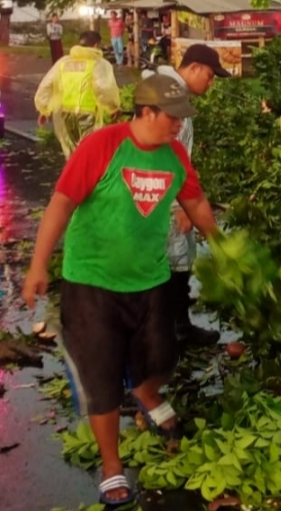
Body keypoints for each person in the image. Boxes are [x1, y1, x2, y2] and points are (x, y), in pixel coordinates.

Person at [22, 75, 220, 507]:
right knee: (103, 378)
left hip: (149, 280)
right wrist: (38, 265)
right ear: (146, 112)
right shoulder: (103, 146)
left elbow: (196, 202)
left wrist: (224, 248)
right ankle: (112, 466)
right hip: (92, 284)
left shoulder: (175, 155)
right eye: (171, 118)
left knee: (162, 357)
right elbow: (61, 202)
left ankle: (147, 393)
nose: (177, 126)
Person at [142, 43, 231, 345]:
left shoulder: (168, 91)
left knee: (174, 258)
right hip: (165, 197)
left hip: (164, 193)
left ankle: (169, 323)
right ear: (193, 68)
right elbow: (163, 156)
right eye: (209, 74)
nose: (211, 81)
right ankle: (174, 328)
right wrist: (181, 205)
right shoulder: (170, 99)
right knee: (175, 259)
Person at [34, 30, 121, 159]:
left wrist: (44, 109)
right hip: (88, 114)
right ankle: (87, 178)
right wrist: (113, 108)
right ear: (96, 45)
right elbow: (103, 89)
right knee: (89, 154)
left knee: (72, 155)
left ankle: (73, 177)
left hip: (65, 114)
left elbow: (47, 85)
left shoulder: (63, 62)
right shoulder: (98, 63)